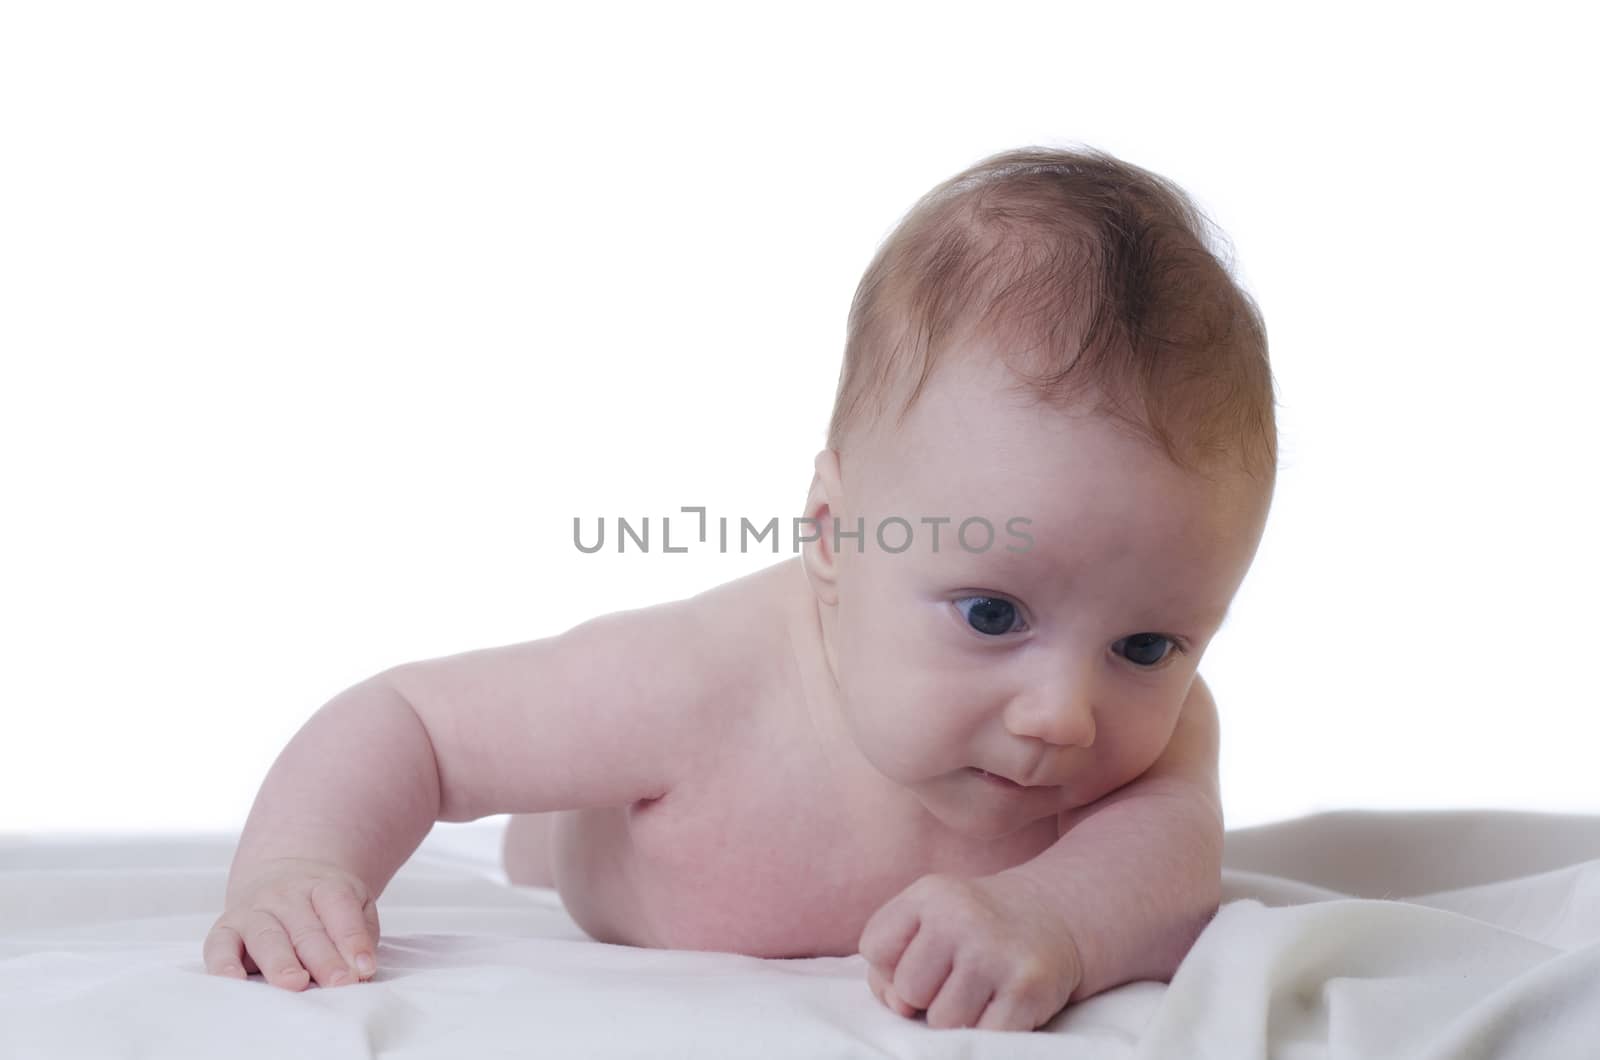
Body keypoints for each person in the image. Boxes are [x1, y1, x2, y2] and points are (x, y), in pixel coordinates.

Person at [203, 143, 1278, 1033]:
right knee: (548, 820)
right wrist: (299, 863)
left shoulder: (1157, 739)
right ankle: (544, 829)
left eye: (1147, 646)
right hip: (619, 835)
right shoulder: (695, 684)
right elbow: (414, 724)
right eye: (992, 614)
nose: (1064, 715)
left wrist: (1050, 916)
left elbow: (1169, 871)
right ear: (832, 535)